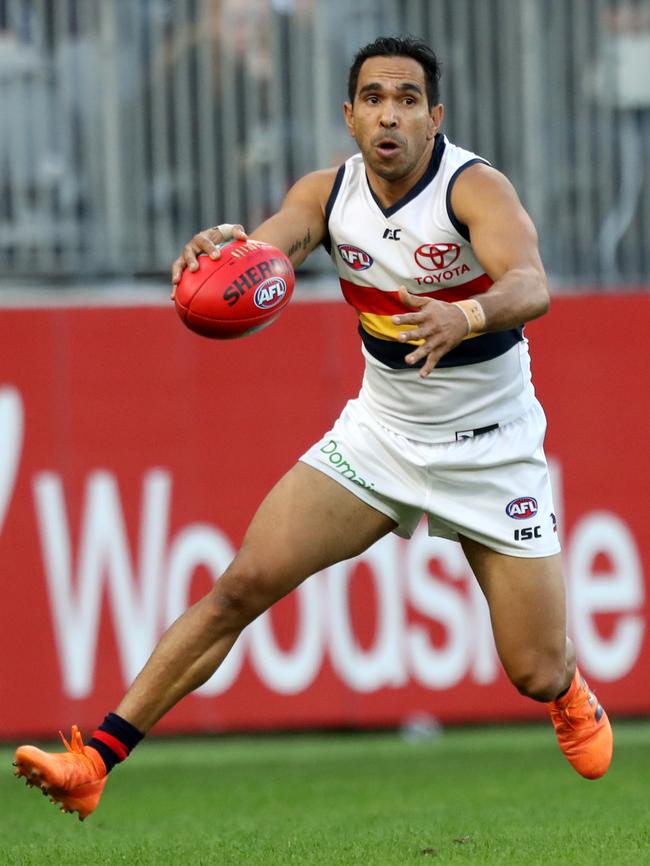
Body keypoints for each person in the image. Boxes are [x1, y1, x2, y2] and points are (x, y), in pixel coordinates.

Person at [14, 35, 613, 821]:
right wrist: (222, 257)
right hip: (378, 439)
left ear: (435, 118)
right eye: (373, 99)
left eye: (406, 99)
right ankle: (95, 759)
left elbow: (530, 285)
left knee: (533, 670)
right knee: (239, 587)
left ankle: (570, 692)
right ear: (350, 115)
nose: (389, 115)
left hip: (491, 451)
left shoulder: (473, 189)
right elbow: (272, 249)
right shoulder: (331, 194)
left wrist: (464, 313)